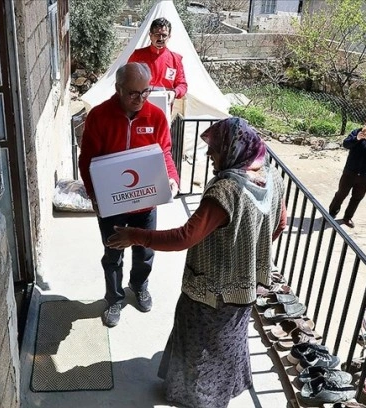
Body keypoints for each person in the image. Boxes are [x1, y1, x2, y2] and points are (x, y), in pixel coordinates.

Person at [107, 117, 287, 408]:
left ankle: (200, 399)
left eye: (214, 150)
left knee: (201, 344)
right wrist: (249, 249)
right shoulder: (271, 178)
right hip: (245, 285)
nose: (209, 156)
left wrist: (135, 236)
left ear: (231, 150)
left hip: (211, 289)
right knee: (229, 340)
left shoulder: (225, 192)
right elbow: (280, 224)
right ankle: (226, 389)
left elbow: (184, 237)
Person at [79, 62, 180, 328]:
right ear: (118, 89)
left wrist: (171, 179)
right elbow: (87, 159)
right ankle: (114, 298)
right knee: (113, 253)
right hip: (112, 204)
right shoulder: (99, 116)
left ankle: (139, 285)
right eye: (132, 93)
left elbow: (165, 153)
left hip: (145, 203)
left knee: (145, 250)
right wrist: (94, 195)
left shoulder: (156, 116)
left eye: (145, 92)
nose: (140, 99)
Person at [328, 115, 366, 228]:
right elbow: (346, 144)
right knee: (341, 193)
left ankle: (348, 217)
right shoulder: (357, 132)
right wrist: (357, 138)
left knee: (357, 197)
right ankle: (331, 213)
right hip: (350, 171)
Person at [127, 17, 187, 104]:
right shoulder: (137, 55)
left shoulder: (176, 59)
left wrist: (174, 92)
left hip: (164, 106)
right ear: (150, 35)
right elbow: (126, 79)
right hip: (139, 105)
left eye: (164, 35)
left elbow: (182, 84)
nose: (161, 38)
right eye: (157, 34)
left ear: (169, 36)